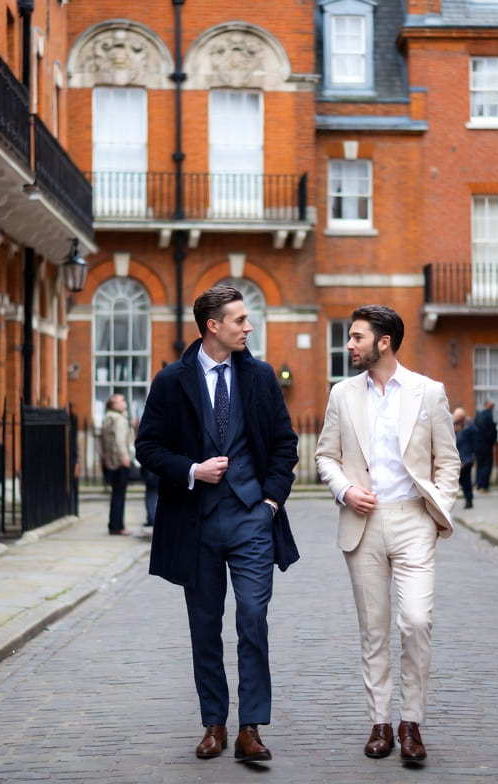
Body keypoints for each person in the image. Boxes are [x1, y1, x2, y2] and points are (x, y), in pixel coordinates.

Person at [136, 284, 299, 763]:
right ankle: (214, 723)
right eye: (240, 320)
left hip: (252, 517)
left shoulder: (262, 377)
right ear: (213, 326)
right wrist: (192, 470)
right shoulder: (171, 381)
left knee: (252, 616)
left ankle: (251, 727)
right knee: (205, 625)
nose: (248, 327)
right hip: (197, 523)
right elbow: (148, 448)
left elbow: (286, 444)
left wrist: (270, 501)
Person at [315, 304, 460, 765]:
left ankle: (411, 721)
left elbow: (448, 462)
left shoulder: (427, 392)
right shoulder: (342, 394)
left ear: (384, 342)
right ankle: (380, 722)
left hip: (414, 519)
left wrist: (441, 510)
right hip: (363, 524)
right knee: (373, 630)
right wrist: (344, 491)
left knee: (416, 621)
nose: (349, 344)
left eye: (356, 337)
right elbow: (325, 457)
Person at [99, 393, 134, 535]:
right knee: (120, 495)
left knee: (116, 495)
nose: (124, 402)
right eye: (120, 401)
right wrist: (125, 457)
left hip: (111, 462)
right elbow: (120, 441)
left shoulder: (107, 418)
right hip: (120, 462)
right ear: (113, 405)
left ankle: (114, 525)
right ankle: (118, 527)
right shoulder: (119, 419)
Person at [453, 407, 478, 509]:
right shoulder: (456, 428)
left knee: (465, 480)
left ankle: (469, 499)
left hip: (466, 459)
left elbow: (471, 443)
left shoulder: (468, 428)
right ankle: (468, 498)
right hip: (460, 458)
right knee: (463, 480)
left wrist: (466, 459)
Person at [474, 399, 498, 492]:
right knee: (487, 465)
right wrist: (493, 438)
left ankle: (479, 484)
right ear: (487, 405)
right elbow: (491, 432)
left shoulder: (479, 415)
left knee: (480, 465)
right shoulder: (489, 415)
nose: (493, 407)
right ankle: (484, 485)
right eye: (492, 405)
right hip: (486, 445)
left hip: (478, 445)